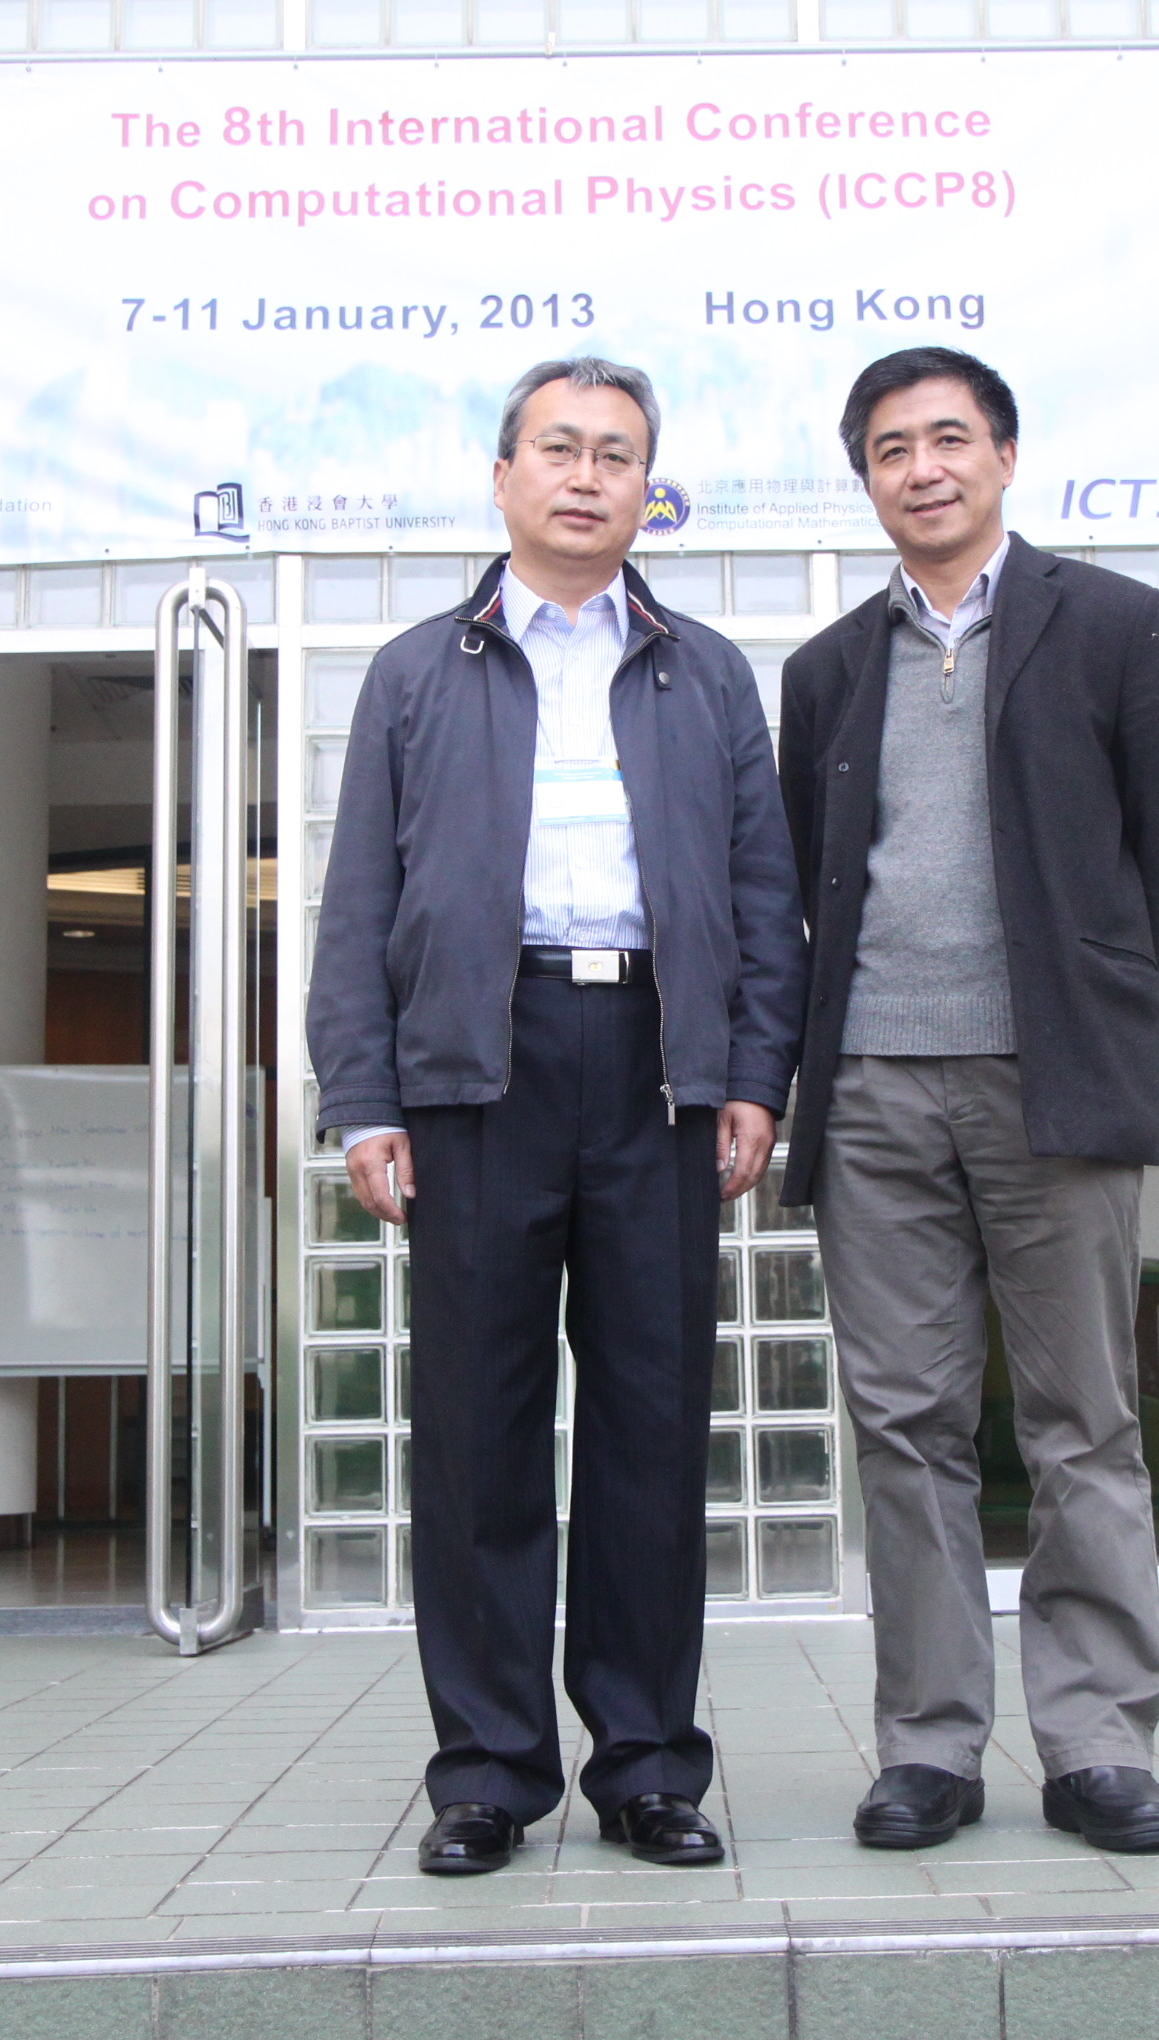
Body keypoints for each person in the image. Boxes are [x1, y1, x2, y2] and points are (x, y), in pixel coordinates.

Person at [308, 356, 808, 1879]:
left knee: (654, 1429)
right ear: (505, 476)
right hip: (480, 1067)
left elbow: (764, 895)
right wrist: (364, 1098)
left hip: (656, 1064)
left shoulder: (704, 674)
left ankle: (649, 1766)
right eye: (560, 448)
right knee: (480, 1433)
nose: (587, 476)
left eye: (617, 455)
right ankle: (488, 1771)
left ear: (649, 489)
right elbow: (361, 901)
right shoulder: (416, 672)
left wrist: (753, 1076)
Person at [776, 345, 1159, 1856]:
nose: (924, 468)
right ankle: (929, 1746)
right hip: (872, 1092)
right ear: (867, 481)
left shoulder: (1112, 625)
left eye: (949, 438)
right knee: (905, 1426)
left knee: (1081, 1419)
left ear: (1006, 456)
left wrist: (1101, 1007)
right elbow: (810, 881)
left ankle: (1098, 1746)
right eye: (891, 449)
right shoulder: (829, 670)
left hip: (1054, 1086)